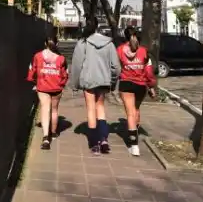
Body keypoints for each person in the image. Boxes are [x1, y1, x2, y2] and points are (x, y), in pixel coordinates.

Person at [69, 16, 120, 155]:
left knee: (91, 109)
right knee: (100, 108)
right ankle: (104, 140)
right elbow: (115, 66)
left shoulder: (83, 42)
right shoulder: (109, 43)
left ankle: (94, 144)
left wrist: (75, 83)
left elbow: (77, 64)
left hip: (88, 80)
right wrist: (113, 81)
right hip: (104, 80)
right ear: (98, 26)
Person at [116, 26, 157, 156]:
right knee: (136, 110)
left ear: (125, 36)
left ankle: (134, 145)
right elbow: (149, 72)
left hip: (126, 83)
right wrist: (151, 86)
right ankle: (135, 130)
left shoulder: (120, 50)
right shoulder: (144, 52)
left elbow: (116, 67)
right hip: (140, 85)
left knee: (130, 113)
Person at [27, 37, 68, 150]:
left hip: (42, 86)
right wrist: (62, 84)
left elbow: (32, 69)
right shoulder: (61, 58)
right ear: (57, 43)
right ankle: (54, 133)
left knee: (45, 109)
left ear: (45, 44)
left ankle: (45, 138)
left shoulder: (38, 56)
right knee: (54, 109)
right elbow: (65, 74)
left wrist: (33, 80)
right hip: (56, 87)